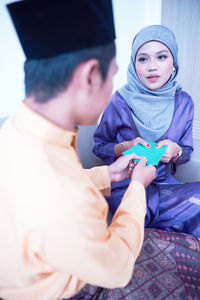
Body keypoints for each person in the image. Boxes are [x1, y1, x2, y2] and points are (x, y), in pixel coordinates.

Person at [0, 1, 157, 299]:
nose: (112, 88)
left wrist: (106, 174)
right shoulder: (68, 197)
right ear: (88, 77)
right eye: (111, 75)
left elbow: (37, 193)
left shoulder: (14, 130)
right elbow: (116, 269)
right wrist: (137, 186)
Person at [93, 25, 200, 238]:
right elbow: (99, 145)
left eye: (161, 57)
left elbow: (186, 151)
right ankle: (161, 224)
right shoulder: (119, 101)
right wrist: (125, 147)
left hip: (164, 186)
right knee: (137, 209)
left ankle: (155, 226)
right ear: (134, 65)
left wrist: (176, 151)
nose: (152, 67)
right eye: (143, 59)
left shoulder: (184, 103)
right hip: (125, 185)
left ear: (174, 62)